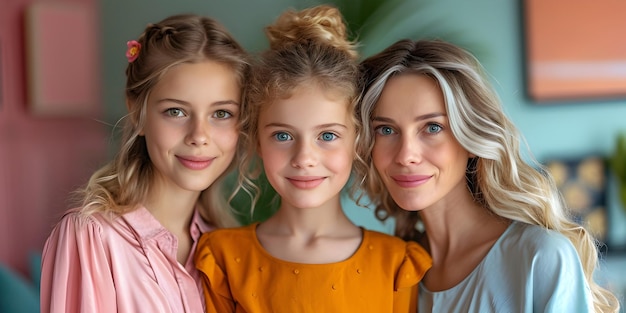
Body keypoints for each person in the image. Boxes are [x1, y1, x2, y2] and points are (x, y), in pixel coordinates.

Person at [194, 5, 432, 313]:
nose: (304, 158)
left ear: (358, 142)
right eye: (283, 136)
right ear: (256, 141)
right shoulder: (222, 258)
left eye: (328, 136)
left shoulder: (397, 264)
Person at [357, 38, 620, 312]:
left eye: (432, 127)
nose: (405, 154)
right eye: (386, 130)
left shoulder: (539, 257)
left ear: (471, 138)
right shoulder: (393, 270)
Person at [40, 14, 249, 313]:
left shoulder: (225, 246)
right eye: (176, 111)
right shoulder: (90, 237)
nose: (199, 136)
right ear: (138, 112)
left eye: (221, 114)